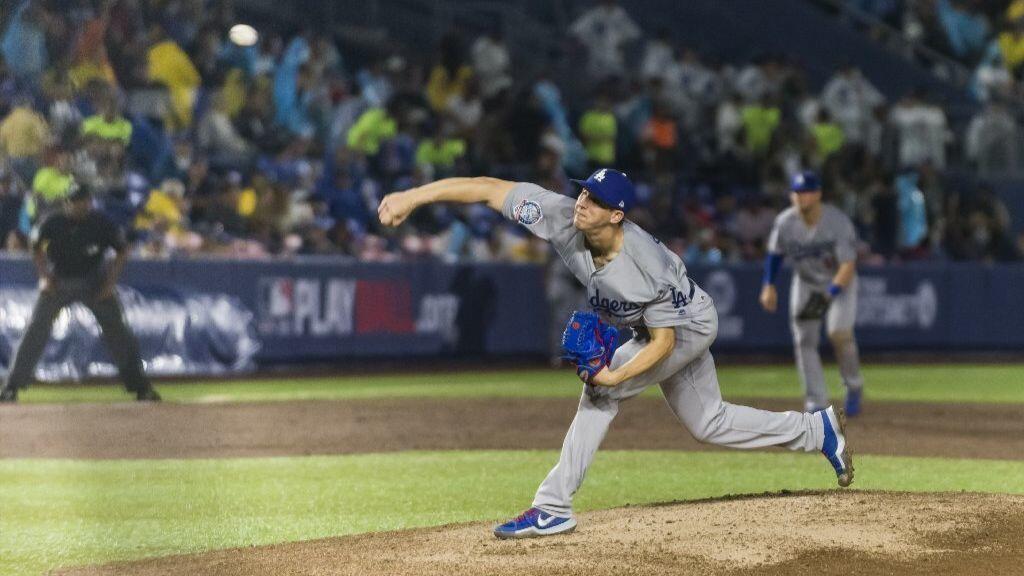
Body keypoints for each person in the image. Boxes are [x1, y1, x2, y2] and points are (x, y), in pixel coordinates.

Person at [378, 168, 854, 540]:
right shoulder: (562, 215)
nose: (583, 203)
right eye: (584, 193)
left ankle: (553, 507)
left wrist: (609, 379)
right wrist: (413, 197)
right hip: (664, 324)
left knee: (600, 396)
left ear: (617, 216)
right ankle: (816, 430)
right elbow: (487, 188)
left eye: (596, 201)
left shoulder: (642, 264)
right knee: (708, 422)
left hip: (684, 325)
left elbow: (664, 342)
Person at [0, 185, 160, 403]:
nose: (80, 205)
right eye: (75, 201)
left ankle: (141, 387)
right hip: (59, 280)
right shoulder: (52, 221)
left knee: (119, 331)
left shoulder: (100, 222)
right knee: (36, 328)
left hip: (94, 280)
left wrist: (109, 284)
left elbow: (122, 250)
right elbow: (34, 245)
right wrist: (44, 277)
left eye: (84, 200)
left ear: (89, 201)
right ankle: (11, 387)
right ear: (67, 203)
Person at [759, 171, 864, 416]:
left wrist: (829, 293)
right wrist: (768, 285)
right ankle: (816, 401)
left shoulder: (837, 222)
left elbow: (848, 265)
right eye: (797, 192)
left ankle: (854, 385)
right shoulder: (785, 222)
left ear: (818, 194)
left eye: (806, 192)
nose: (801, 197)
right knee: (804, 340)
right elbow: (774, 255)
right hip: (806, 283)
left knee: (839, 333)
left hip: (840, 282)